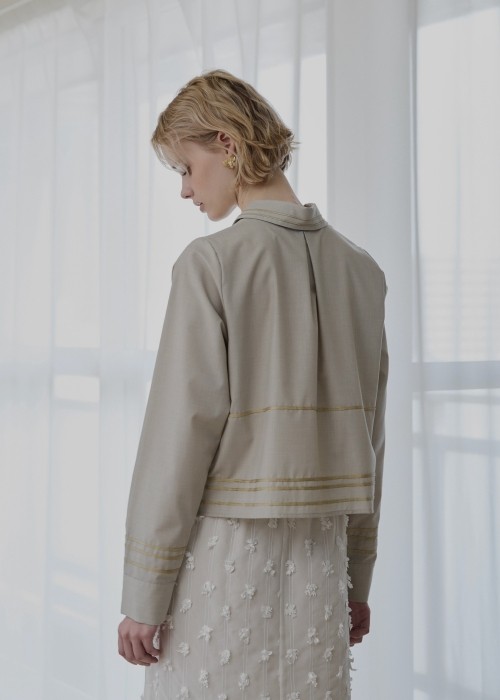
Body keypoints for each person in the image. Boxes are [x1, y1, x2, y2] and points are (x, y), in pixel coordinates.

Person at [118, 68, 388, 700]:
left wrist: (143, 594)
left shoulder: (210, 263)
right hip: (323, 569)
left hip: (224, 566)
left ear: (227, 143)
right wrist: (357, 578)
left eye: (186, 167)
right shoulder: (363, 271)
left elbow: (177, 439)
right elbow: (372, 442)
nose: (185, 190)